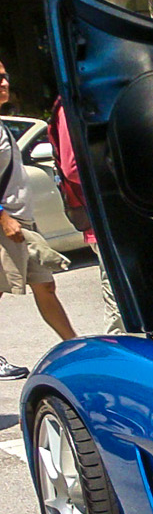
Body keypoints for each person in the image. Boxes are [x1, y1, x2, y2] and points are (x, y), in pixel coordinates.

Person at [0, 63, 75, 378]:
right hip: (6, 224)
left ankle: (74, 347)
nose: (4, 81)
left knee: (46, 286)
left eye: (5, 75)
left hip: (21, 223)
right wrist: (2, 216)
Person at [46, 97, 120, 334]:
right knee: (124, 306)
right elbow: (73, 167)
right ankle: (121, 367)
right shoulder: (74, 103)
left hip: (131, 217)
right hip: (109, 218)